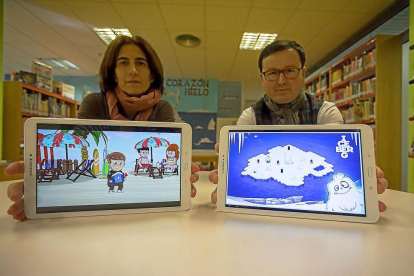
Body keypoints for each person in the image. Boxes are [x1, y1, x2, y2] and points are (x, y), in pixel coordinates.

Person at [5, 35, 199, 221]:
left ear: (152, 74)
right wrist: (45, 186)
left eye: (141, 63)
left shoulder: (162, 108)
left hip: (151, 217)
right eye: (123, 63)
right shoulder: (95, 103)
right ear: (113, 73)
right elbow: (82, 145)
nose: (133, 70)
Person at [208, 40, 388, 212]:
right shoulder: (250, 117)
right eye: (272, 73)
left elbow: (337, 165)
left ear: (303, 73)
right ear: (262, 78)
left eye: (289, 71)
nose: (281, 81)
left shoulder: (325, 112)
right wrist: (230, 178)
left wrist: (356, 179)